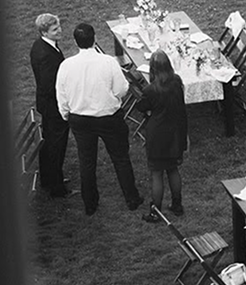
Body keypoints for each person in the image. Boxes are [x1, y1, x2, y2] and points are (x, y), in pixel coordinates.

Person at [55, 22, 143, 217]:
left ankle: (90, 204)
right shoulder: (108, 62)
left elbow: (61, 94)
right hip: (108, 118)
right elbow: (121, 89)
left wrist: (66, 114)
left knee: (86, 161)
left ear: (76, 42)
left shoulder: (66, 65)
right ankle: (132, 199)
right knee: (120, 158)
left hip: (80, 119)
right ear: (94, 39)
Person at [139, 50, 188, 221]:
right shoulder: (177, 82)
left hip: (157, 135)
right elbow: (182, 109)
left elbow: (141, 107)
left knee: (157, 173)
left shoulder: (150, 90)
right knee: (173, 169)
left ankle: (155, 212)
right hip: (174, 133)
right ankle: (177, 205)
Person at [29, 13, 70, 198]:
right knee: (56, 146)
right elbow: (48, 85)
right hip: (53, 107)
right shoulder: (45, 54)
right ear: (44, 31)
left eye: (59, 26)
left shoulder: (42, 45)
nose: (60, 30)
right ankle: (57, 187)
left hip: (47, 105)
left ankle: (49, 178)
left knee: (49, 143)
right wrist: (64, 104)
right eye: (55, 29)